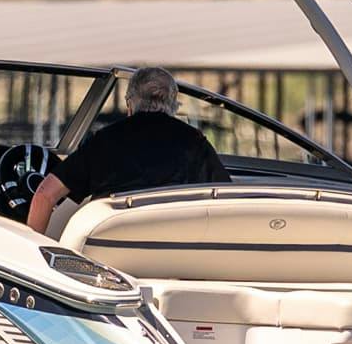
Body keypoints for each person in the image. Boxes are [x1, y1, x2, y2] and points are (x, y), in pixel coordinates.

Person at [26, 67, 223, 235]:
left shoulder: (104, 140)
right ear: (173, 106)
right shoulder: (193, 141)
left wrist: (31, 256)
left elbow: (45, 194)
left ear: (129, 103)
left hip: (107, 255)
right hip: (173, 250)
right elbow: (225, 198)